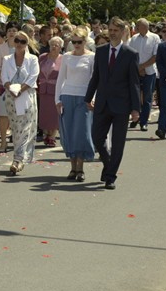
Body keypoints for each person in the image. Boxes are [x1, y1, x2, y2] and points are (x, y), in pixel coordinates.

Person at [85, 17, 141, 190]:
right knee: (96, 137)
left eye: (116, 30)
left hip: (121, 105)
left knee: (118, 143)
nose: (112, 33)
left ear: (123, 32)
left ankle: (110, 176)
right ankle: (108, 163)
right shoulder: (100, 51)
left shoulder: (130, 54)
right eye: (110, 29)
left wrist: (135, 108)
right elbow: (96, 77)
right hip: (102, 103)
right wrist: (88, 98)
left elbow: (134, 83)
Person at [56, 28, 96, 181]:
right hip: (67, 96)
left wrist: (94, 98)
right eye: (74, 42)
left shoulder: (92, 57)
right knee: (70, 132)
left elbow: (95, 80)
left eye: (79, 41)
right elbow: (61, 79)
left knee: (82, 132)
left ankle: (80, 167)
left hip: (84, 97)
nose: (76, 44)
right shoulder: (66, 56)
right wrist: (57, 100)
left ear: (85, 41)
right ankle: (73, 168)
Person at [1, 32, 40, 175]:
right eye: (17, 40)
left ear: (27, 43)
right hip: (11, 96)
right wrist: (10, 88)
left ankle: (18, 159)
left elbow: (33, 76)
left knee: (26, 128)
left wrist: (21, 90)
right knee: (16, 127)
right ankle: (19, 158)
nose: (19, 43)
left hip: (27, 94)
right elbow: (3, 76)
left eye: (23, 41)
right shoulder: (7, 59)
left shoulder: (33, 59)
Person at [128, 18, 160, 131]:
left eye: (138, 25)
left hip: (149, 72)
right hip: (136, 72)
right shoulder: (133, 38)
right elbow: (129, 54)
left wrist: (142, 66)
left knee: (147, 97)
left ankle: (144, 121)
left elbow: (156, 56)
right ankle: (136, 118)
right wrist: (137, 68)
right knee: (135, 97)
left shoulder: (155, 38)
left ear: (145, 27)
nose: (136, 27)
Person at [37, 36, 63, 147]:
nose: (54, 47)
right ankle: (46, 134)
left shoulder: (63, 59)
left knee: (54, 114)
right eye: (52, 44)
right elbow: (37, 71)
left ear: (60, 47)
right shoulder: (42, 57)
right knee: (45, 113)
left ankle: (52, 136)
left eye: (57, 45)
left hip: (56, 89)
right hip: (43, 89)